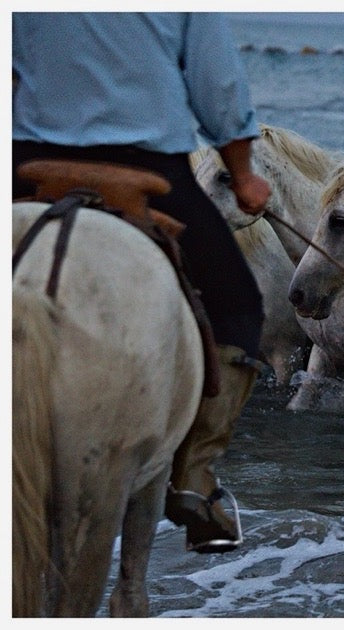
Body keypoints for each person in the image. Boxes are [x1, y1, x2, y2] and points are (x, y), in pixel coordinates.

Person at [12, 13, 271, 553]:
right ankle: (195, 484)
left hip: (28, 164)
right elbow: (217, 86)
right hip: (151, 171)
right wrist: (243, 177)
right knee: (240, 307)